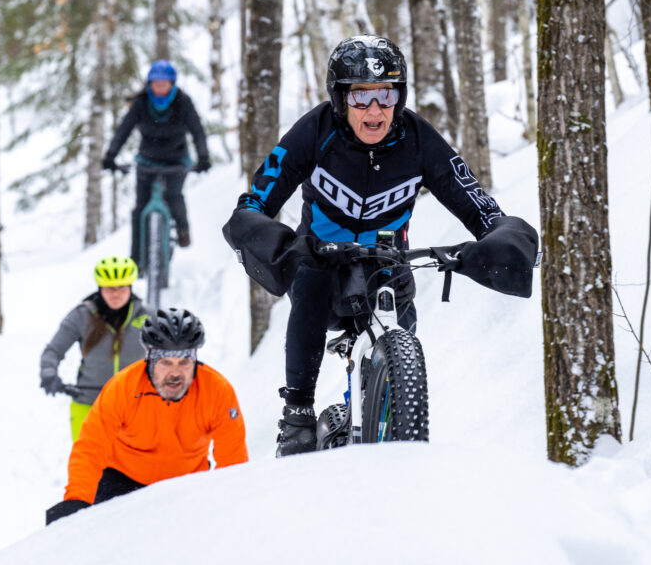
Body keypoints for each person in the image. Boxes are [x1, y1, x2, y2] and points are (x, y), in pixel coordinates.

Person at [222, 34, 539, 457]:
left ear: (399, 96)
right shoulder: (314, 131)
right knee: (311, 291)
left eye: (386, 95)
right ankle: (296, 415)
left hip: (389, 263)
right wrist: (276, 241)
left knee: (401, 327)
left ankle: (384, 423)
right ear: (340, 99)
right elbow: (255, 202)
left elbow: (480, 207)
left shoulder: (420, 139)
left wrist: (503, 239)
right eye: (361, 96)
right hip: (320, 258)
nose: (375, 109)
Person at [46, 308, 247, 524]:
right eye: (165, 362)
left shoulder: (217, 392)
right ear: (150, 358)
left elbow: (233, 463)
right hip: (121, 481)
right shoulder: (122, 388)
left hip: (188, 483)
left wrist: (231, 507)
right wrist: (77, 499)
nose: (175, 373)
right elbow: (90, 449)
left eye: (184, 362)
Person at [101, 59, 211, 257]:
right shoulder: (141, 103)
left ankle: (183, 230)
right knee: (140, 209)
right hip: (147, 161)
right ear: (149, 84)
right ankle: (136, 258)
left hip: (177, 161)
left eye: (164, 83)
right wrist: (110, 155)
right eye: (156, 83)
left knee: (174, 196)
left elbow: (197, 130)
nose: (159, 87)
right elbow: (124, 130)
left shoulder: (183, 102)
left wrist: (203, 157)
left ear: (172, 83)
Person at [39, 255, 157, 441]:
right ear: (100, 288)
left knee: (135, 467)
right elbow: (53, 350)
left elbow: (170, 352)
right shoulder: (81, 316)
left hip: (136, 405)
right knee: (88, 467)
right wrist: (48, 372)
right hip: (88, 403)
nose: (115, 293)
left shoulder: (149, 317)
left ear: (131, 287)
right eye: (109, 288)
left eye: (121, 287)